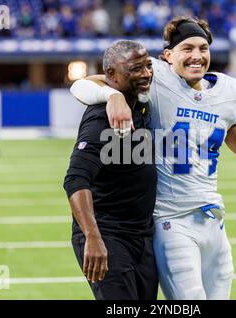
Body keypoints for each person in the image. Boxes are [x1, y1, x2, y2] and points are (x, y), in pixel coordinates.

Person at [70, 16, 236, 300]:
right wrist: (111, 95)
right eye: (188, 48)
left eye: (203, 48)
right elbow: (82, 85)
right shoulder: (155, 79)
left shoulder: (230, 94)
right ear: (168, 55)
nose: (197, 56)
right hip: (171, 220)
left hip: (212, 219)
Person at [63, 40, 158, 300]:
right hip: (107, 235)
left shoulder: (138, 99)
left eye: (148, 66)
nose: (146, 74)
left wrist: (113, 93)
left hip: (141, 236)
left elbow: (91, 82)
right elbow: (75, 180)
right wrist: (92, 237)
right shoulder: (100, 118)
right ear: (113, 75)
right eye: (136, 69)